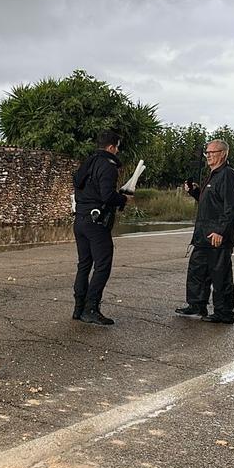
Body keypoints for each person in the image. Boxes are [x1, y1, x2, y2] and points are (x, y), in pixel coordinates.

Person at [177, 138, 234, 324]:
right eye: (207, 153)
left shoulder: (228, 175)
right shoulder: (213, 175)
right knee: (197, 271)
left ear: (222, 154)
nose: (208, 156)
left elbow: (232, 206)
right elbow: (211, 202)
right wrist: (195, 192)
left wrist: (221, 231)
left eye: (211, 153)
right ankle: (196, 306)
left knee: (220, 275)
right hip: (203, 235)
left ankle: (224, 313)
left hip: (217, 237)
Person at [72, 130, 129, 325]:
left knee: (84, 264)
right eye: (117, 148)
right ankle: (91, 308)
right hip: (96, 223)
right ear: (111, 147)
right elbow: (107, 196)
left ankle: (78, 308)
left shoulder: (87, 163)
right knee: (102, 265)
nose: (118, 152)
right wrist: (123, 198)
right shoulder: (108, 165)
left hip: (79, 219)